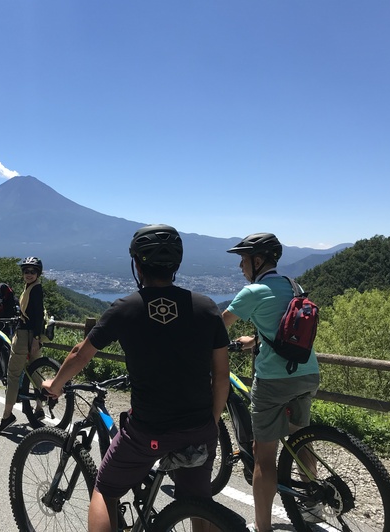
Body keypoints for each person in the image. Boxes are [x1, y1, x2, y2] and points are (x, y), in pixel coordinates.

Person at [43, 225, 230, 532]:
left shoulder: (126, 308)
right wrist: (209, 423)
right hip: (198, 427)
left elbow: (81, 353)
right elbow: (221, 377)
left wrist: (56, 384)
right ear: (177, 264)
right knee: (199, 503)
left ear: (137, 264)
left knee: (105, 489)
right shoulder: (207, 308)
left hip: (148, 430)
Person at [221, 233, 321, 532]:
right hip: (307, 372)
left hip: (273, 381)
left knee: (264, 455)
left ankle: (262, 527)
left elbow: (215, 327)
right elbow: (285, 328)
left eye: (243, 259)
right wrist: (254, 340)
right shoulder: (294, 286)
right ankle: (314, 503)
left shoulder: (252, 291)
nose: (241, 266)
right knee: (299, 437)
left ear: (258, 260)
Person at [0, 256, 46, 434]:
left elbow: (38, 315)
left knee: (13, 374)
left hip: (25, 335)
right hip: (31, 335)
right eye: (26, 271)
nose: (28, 274)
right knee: (34, 370)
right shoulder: (32, 287)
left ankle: (7, 415)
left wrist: (35, 339)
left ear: (38, 273)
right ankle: (39, 407)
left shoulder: (35, 289)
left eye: (32, 271)